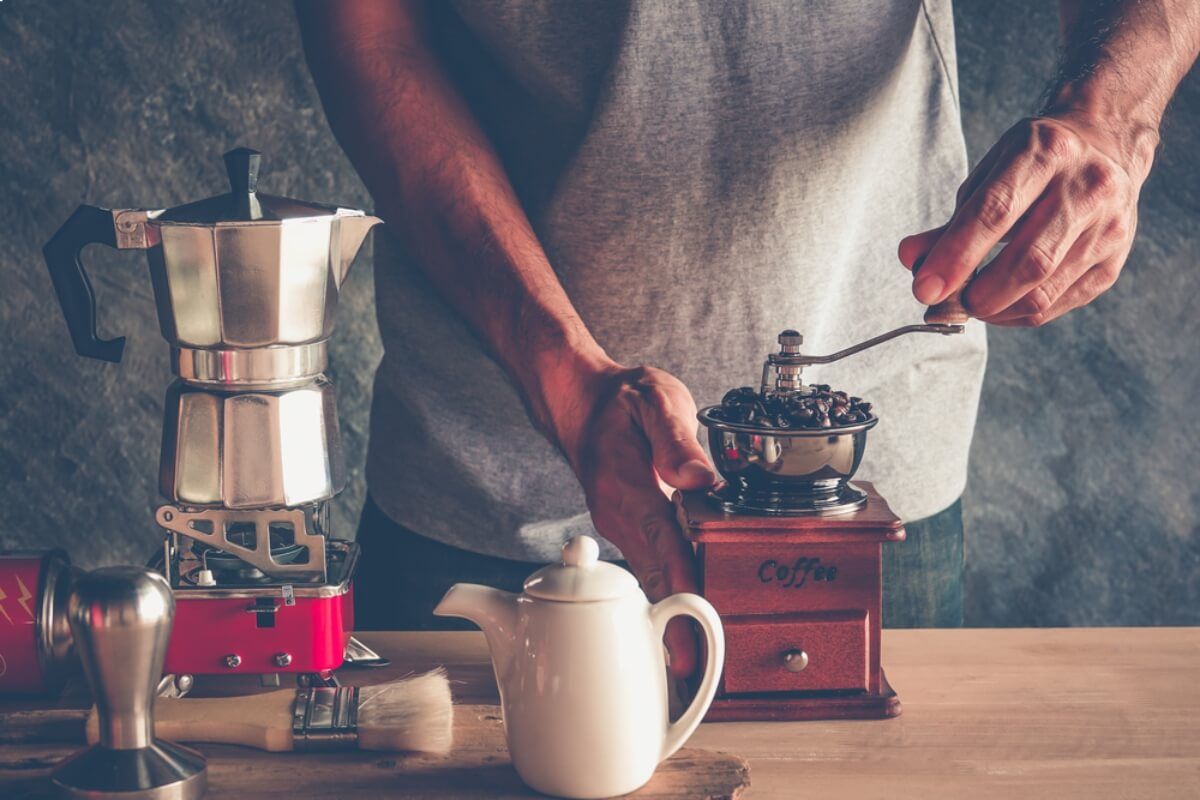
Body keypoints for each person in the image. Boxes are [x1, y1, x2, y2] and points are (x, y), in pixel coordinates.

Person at [295, 0, 1199, 676]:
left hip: (870, 500)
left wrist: (1111, 119)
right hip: (486, 483)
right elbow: (369, 29)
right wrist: (562, 377)